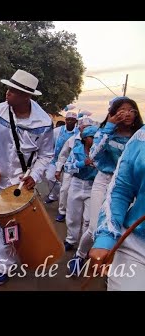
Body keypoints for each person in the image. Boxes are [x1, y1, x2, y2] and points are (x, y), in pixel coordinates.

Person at [0, 69, 54, 285]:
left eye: (13, 90)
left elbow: (46, 154)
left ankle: (3, 264)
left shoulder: (43, 123)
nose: (7, 93)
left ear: (26, 96)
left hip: (19, 183)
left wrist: (35, 175)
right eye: (9, 88)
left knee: (12, 226)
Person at [69, 97, 143, 274]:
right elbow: (93, 155)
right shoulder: (105, 131)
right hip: (104, 181)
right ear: (113, 113)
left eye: (131, 110)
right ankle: (80, 255)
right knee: (95, 227)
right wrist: (109, 127)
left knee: (121, 227)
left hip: (131, 187)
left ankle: (113, 262)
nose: (127, 113)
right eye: (122, 110)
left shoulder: (140, 136)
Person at [89, 124, 145, 290]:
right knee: (89, 226)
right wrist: (105, 239)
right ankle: (78, 252)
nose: (126, 115)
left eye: (129, 111)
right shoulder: (140, 138)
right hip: (138, 245)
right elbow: (120, 189)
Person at [43, 112, 78, 204]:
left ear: (76, 121)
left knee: (66, 185)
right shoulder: (57, 131)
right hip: (55, 160)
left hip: (70, 163)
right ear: (65, 120)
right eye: (68, 119)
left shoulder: (79, 133)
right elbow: (50, 144)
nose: (69, 121)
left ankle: (64, 201)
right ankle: (54, 196)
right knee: (49, 177)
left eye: (72, 120)